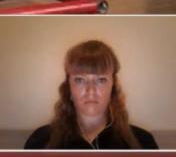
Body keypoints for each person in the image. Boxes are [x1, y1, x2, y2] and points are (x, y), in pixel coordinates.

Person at [24, 40, 159, 150]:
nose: (91, 90)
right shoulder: (40, 142)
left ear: (113, 86)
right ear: (69, 88)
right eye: (80, 80)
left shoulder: (143, 143)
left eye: (101, 80)